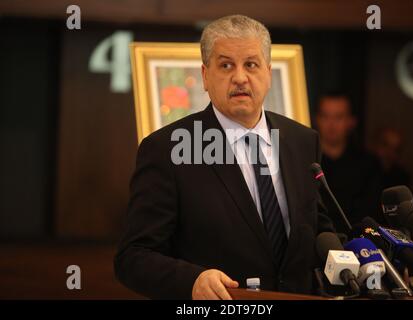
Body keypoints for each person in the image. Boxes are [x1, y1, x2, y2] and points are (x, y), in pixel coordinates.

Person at [114, 15, 334, 300]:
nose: (240, 77)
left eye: (251, 65)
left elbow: (320, 233)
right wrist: (192, 281)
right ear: (205, 76)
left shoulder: (302, 142)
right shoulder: (168, 149)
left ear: (268, 73)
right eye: (226, 65)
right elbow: (132, 257)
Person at [315, 92, 383, 233]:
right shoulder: (307, 162)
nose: (331, 124)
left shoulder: (368, 164)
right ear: (317, 119)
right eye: (325, 116)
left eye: (338, 117)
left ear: (351, 121)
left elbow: (371, 213)